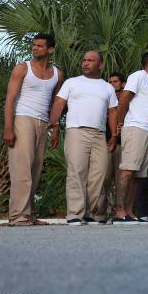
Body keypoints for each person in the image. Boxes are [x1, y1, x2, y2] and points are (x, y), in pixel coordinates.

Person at [48, 51, 118, 225]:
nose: (85, 63)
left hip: (99, 134)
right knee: (76, 172)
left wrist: (114, 136)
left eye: (90, 60)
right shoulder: (72, 83)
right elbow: (59, 103)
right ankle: (74, 214)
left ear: (100, 65)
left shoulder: (107, 87)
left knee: (100, 174)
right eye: (84, 60)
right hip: (76, 132)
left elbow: (112, 112)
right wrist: (54, 124)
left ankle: (92, 213)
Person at [3, 33, 63, 226]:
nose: (35, 48)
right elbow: (10, 100)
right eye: (34, 45)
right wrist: (8, 128)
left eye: (40, 46)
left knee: (35, 169)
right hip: (23, 119)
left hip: (43, 122)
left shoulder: (57, 73)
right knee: (22, 169)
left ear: (50, 49)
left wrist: (55, 129)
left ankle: (28, 214)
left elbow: (56, 102)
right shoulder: (22, 68)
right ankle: (17, 216)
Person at [113, 52, 148, 225]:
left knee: (138, 174)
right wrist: (119, 124)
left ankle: (129, 211)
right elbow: (124, 100)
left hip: (147, 130)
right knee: (127, 170)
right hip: (135, 128)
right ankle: (119, 212)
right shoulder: (138, 76)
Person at [96, 72, 126, 218]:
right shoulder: (104, 98)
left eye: (115, 81)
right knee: (103, 178)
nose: (112, 83)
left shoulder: (128, 101)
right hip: (105, 143)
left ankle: (120, 210)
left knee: (121, 180)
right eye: (110, 81)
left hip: (122, 144)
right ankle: (100, 211)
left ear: (123, 84)